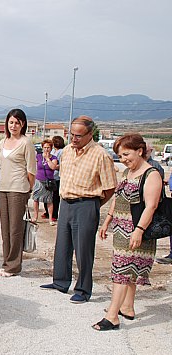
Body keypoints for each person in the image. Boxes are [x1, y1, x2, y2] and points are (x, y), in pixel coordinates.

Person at [41, 116, 117, 303]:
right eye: (71, 134)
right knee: (62, 246)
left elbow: (109, 187)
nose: (74, 139)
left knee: (84, 250)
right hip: (66, 202)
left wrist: (93, 204)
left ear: (90, 134)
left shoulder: (101, 155)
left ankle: (83, 289)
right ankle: (60, 282)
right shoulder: (66, 151)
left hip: (86, 204)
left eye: (78, 136)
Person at [95, 134, 161, 330]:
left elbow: (152, 206)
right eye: (120, 155)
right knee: (127, 270)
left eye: (126, 154)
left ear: (139, 151)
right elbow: (118, 198)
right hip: (121, 229)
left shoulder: (152, 174)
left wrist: (138, 230)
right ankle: (127, 307)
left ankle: (112, 316)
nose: (123, 159)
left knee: (122, 271)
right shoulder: (127, 173)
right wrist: (107, 220)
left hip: (137, 230)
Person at [0, 109, 36, 277]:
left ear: (23, 124)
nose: (13, 125)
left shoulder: (26, 143)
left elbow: (31, 170)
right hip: (3, 187)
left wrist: (28, 188)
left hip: (18, 188)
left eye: (17, 123)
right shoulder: (2, 142)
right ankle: (7, 261)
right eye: (11, 122)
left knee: (15, 228)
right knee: (5, 229)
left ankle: (13, 265)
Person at [31, 139, 58, 225]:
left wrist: (47, 158)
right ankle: (35, 216)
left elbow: (53, 167)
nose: (46, 149)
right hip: (38, 180)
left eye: (48, 147)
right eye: (45, 147)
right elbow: (33, 166)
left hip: (48, 182)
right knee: (36, 199)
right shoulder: (38, 156)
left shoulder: (54, 158)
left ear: (51, 148)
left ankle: (50, 218)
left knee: (49, 200)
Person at [42, 135, 65, 221]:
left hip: (55, 177)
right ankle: (48, 212)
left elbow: (59, 165)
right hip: (50, 176)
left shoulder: (60, 152)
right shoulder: (56, 152)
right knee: (48, 196)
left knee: (54, 197)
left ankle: (54, 214)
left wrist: (54, 166)